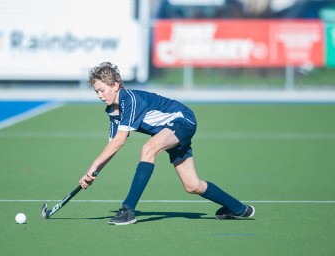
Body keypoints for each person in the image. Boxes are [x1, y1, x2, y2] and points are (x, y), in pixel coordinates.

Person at [79, 62, 255, 225]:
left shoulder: (129, 99)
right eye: (97, 92)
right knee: (192, 185)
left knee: (149, 148)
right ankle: (239, 209)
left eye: (102, 90)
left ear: (116, 85)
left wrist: (93, 165)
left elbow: (120, 140)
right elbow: (112, 147)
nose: (100, 96)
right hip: (167, 132)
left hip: (182, 121)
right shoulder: (113, 111)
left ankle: (128, 210)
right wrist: (93, 172)